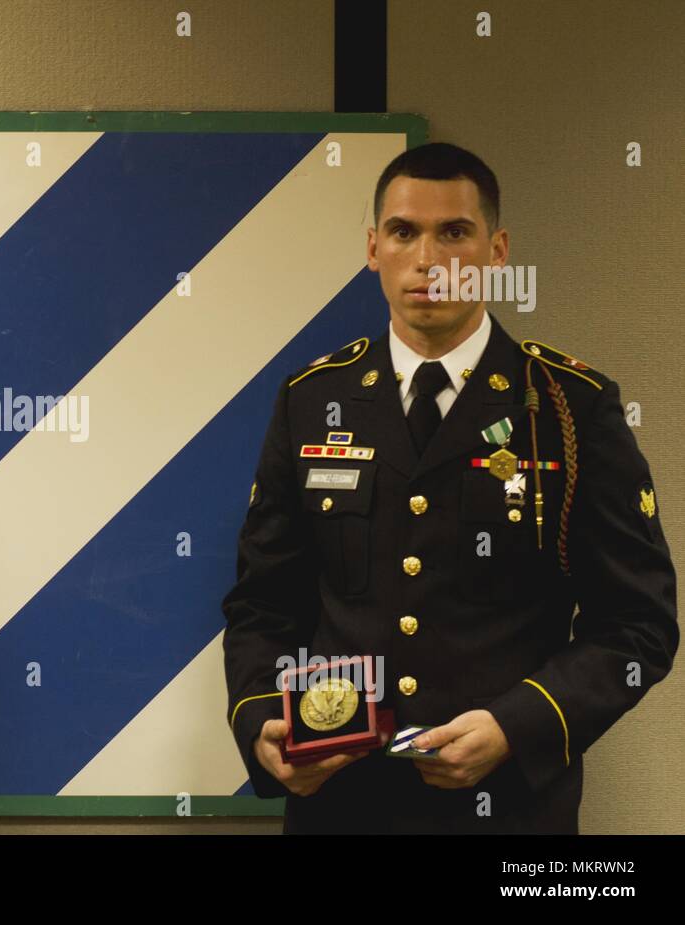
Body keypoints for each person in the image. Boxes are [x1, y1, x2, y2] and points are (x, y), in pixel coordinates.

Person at [222, 142, 677, 833]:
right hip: (344, 807)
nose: (428, 259)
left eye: (454, 232)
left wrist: (516, 724)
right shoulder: (314, 400)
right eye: (404, 232)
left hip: (509, 814)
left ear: (497, 251)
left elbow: (638, 627)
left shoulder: (569, 408)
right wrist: (261, 720)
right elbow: (263, 606)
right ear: (374, 249)